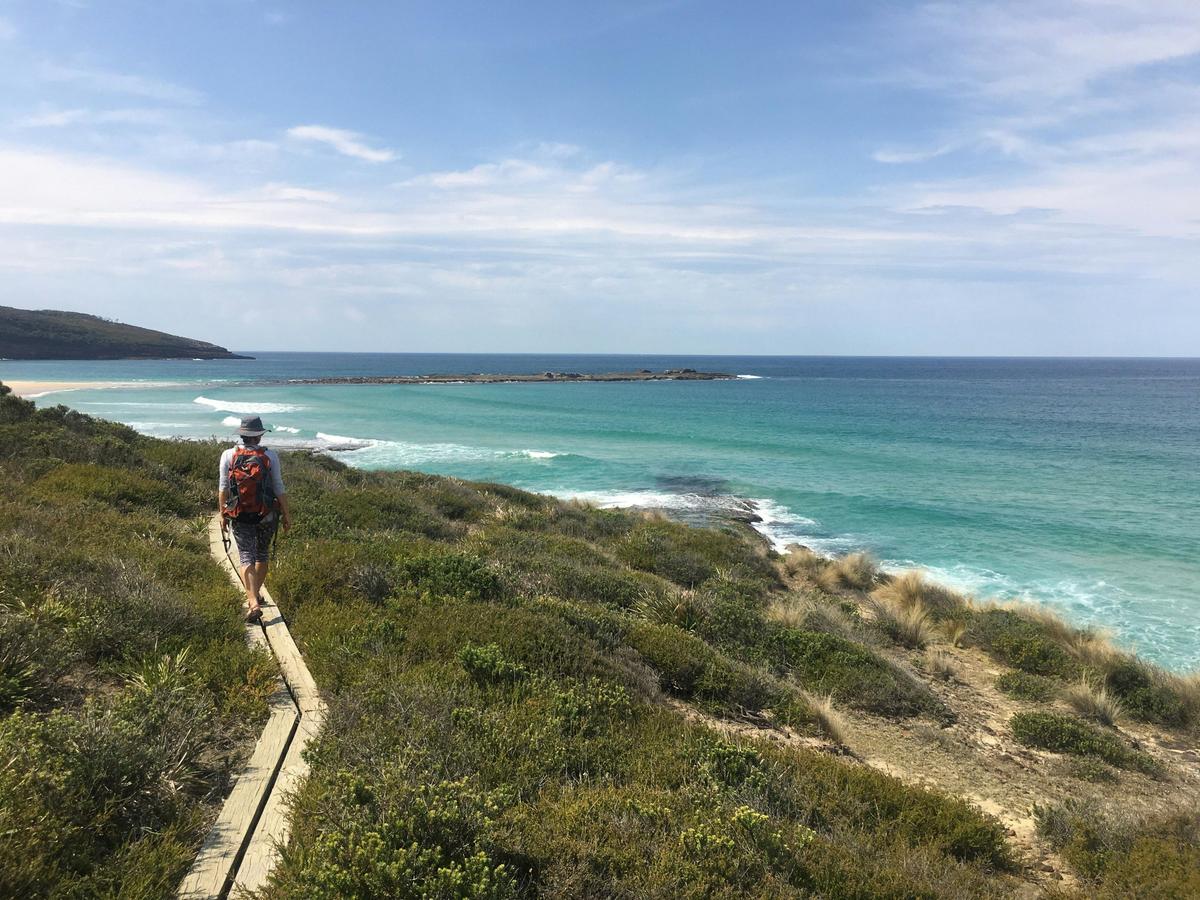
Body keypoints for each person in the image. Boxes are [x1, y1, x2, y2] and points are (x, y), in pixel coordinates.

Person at [218, 415, 291, 622]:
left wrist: (223, 514)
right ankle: (256, 594)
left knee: (245, 556)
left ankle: (253, 602)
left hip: (240, 513)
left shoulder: (228, 455)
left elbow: (223, 488)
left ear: (242, 435)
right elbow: (278, 486)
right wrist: (287, 514)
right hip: (266, 513)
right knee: (262, 554)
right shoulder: (270, 456)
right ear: (259, 436)